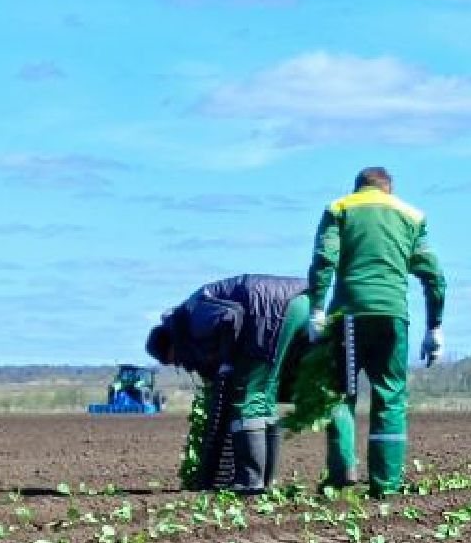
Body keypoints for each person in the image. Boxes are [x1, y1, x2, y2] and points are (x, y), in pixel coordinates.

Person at [294, 165, 446, 496]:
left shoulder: (339, 208)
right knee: (390, 395)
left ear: (358, 187)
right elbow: (433, 275)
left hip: (347, 315)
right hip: (392, 315)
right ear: (388, 189)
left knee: (340, 392)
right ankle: (385, 483)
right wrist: (435, 325)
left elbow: (324, 259)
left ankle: (342, 473)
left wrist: (317, 308)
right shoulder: (412, 216)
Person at [146, 273, 311, 494]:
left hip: (269, 311)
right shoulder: (189, 314)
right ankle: (265, 480)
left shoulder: (192, 319)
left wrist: (227, 361)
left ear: (171, 345)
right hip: (299, 302)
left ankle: (250, 481)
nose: (180, 364)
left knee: (248, 396)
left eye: (174, 359)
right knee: (265, 395)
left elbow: (230, 315)